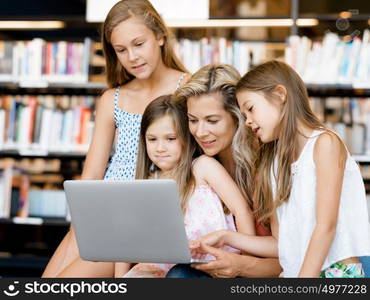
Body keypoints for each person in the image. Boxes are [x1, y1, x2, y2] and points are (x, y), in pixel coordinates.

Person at [42, 0, 189, 278]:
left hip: (147, 215)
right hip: (104, 211)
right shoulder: (113, 98)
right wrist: (80, 226)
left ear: (159, 36)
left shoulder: (189, 90)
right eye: (121, 50)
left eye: (138, 44)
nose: (132, 57)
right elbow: (93, 173)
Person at [192, 60, 370, 277]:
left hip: (337, 273)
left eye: (250, 109)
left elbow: (326, 227)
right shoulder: (272, 163)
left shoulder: (325, 144)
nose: (247, 121)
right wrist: (226, 237)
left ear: (279, 95)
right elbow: (281, 245)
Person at [167, 64, 282, 278]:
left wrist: (240, 265)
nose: (200, 132)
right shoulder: (198, 165)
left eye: (212, 121)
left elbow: (288, 258)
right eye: (193, 120)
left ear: (237, 117)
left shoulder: (266, 168)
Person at [121, 95, 255, 277]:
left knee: (179, 275)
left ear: (186, 138)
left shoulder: (202, 167)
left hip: (211, 265)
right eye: (152, 139)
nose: (160, 148)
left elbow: (242, 211)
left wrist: (247, 262)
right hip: (160, 266)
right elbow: (127, 237)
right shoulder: (148, 181)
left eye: (170, 139)